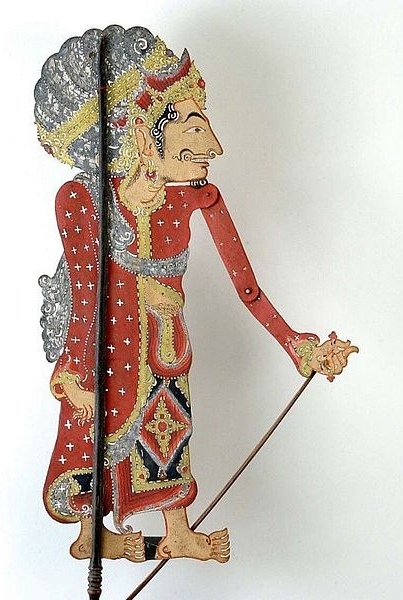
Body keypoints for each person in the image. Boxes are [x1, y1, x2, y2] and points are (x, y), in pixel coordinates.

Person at [36, 26, 357, 564]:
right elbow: (87, 294)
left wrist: (298, 345)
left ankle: (175, 530)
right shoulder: (84, 200)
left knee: (169, 428)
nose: (213, 146)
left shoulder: (198, 198)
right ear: (143, 131)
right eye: (193, 126)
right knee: (100, 432)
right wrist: (73, 373)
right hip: (106, 349)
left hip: (166, 343)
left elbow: (247, 288)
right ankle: (94, 533)